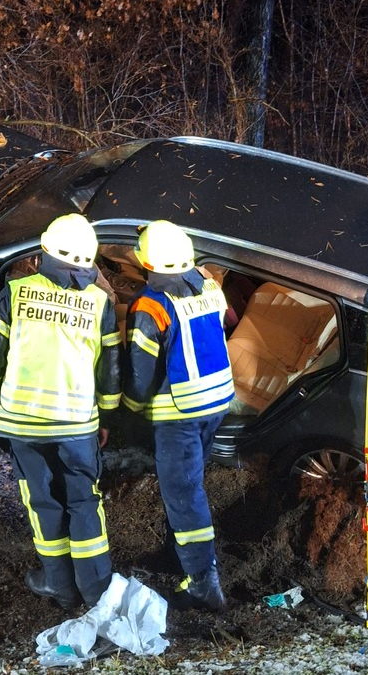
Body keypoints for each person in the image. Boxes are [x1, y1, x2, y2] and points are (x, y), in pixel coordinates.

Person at [0, 213, 122, 609]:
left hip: (24, 423)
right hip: (77, 425)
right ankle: (95, 588)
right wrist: (107, 414)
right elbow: (110, 368)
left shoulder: (15, 293)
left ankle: (59, 586)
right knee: (84, 501)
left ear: (44, 252)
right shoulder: (100, 303)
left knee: (43, 502)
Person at [122, 220, 234, 612]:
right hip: (216, 404)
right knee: (189, 483)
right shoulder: (209, 287)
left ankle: (204, 583)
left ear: (147, 261)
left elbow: (140, 373)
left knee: (183, 493)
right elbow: (221, 329)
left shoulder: (150, 304)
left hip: (179, 412)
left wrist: (128, 411)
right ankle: (182, 558)